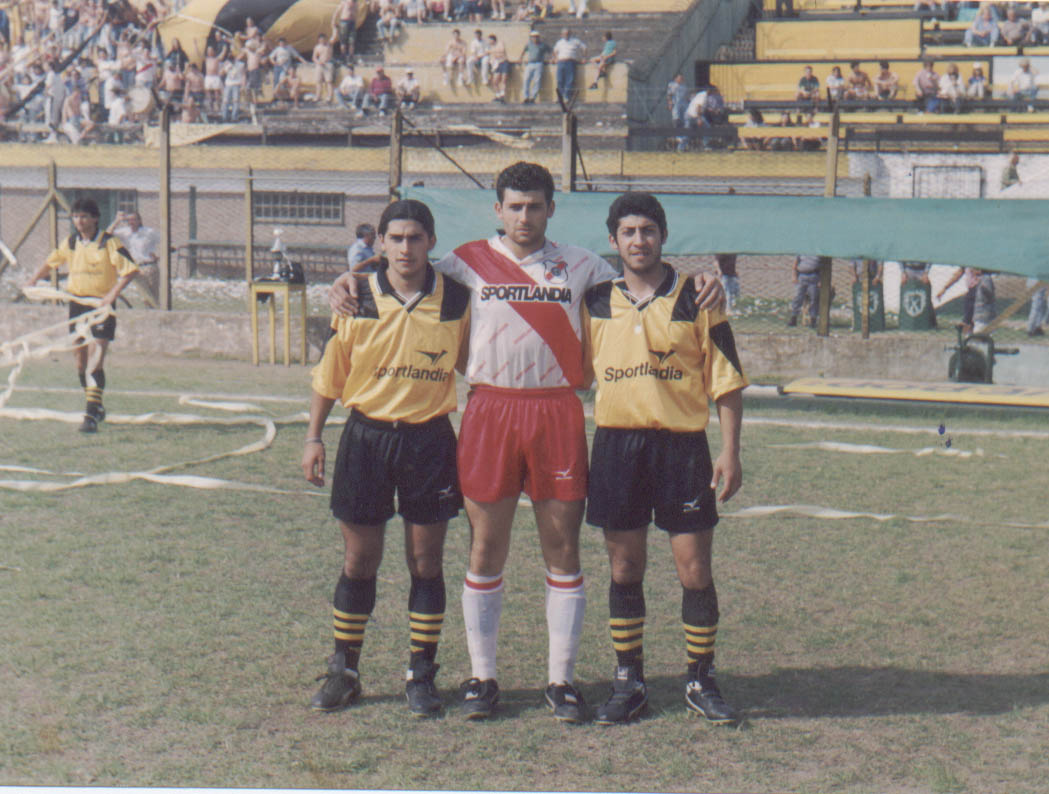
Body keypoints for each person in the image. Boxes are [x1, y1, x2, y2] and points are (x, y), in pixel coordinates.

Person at [326, 161, 726, 723]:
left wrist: (701, 280)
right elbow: (401, 270)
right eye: (514, 206)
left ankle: (560, 681)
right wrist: (349, 277)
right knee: (486, 549)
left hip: (556, 412)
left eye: (534, 205)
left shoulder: (583, 266)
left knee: (561, 550)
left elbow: (646, 276)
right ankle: (481, 677)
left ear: (550, 209)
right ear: (498, 210)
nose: (524, 216)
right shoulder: (464, 264)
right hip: (490, 409)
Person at [583, 192, 746, 727]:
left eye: (647, 230)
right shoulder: (594, 300)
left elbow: (726, 380)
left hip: (681, 449)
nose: (638, 240)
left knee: (694, 568)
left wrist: (730, 451)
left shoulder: (699, 297)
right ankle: (629, 679)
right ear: (613, 240)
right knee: (624, 566)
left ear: (663, 237)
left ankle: (701, 678)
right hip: (616, 447)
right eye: (627, 232)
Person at [303, 199, 470, 717]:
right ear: (379, 244)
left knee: (425, 562)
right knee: (359, 559)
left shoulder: (457, 299)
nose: (404, 248)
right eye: (394, 238)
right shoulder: (356, 297)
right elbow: (331, 376)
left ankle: (421, 675)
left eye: (414, 238)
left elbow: (474, 363)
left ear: (430, 243)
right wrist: (313, 437)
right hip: (367, 438)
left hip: (429, 440)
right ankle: (344, 670)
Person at [22, 198, 138, 434]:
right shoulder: (71, 242)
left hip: (101, 307)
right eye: (75, 217)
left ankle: (90, 414)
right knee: (79, 362)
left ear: (95, 219)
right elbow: (50, 262)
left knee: (97, 358)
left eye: (84, 216)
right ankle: (96, 404)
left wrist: (110, 296)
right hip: (77, 305)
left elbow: (130, 271)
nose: (79, 221)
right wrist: (33, 281)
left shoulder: (109, 242)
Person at [109, 210, 160, 303]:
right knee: (146, 297)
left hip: (149, 266)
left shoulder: (149, 232)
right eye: (128, 220)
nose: (131, 222)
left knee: (153, 297)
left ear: (139, 221)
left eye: (133, 220)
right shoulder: (125, 232)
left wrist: (159, 255)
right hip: (135, 268)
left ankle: (155, 314)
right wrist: (117, 221)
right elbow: (107, 234)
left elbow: (165, 241)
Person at [552, 28, 585, 106]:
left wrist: (583, 58)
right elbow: (554, 51)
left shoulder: (575, 41)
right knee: (560, 80)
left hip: (570, 62)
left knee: (569, 80)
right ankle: (560, 97)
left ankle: (566, 97)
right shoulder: (559, 42)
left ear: (570, 34)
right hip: (561, 62)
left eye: (567, 33)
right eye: (564, 34)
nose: (566, 35)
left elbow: (584, 48)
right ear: (561, 35)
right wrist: (556, 58)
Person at [788, 254, 823, 327]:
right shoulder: (801, 252)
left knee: (814, 298)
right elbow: (795, 265)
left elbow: (822, 266)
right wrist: (794, 276)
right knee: (798, 297)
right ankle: (793, 317)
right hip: (802, 276)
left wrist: (821, 280)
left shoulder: (819, 253)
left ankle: (813, 319)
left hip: (814, 276)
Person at [520, 29, 549, 103]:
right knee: (526, 80)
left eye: (536, 37)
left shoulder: (543, 45)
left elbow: (550, 51)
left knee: (537, 81)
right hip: (530, 64)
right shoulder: (529, 44)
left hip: (539, 63)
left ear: (538, 37)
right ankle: (526, 97)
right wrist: (520, 58)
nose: (534, 38)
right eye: (533, 37)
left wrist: (553, 58)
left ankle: (533, 97)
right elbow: (523, 51)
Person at [667, 73, 690, 152]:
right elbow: (669, 95)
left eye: (682, 78)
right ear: (676, 78)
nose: (681, 79)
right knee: (676, 120)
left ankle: (684, 138)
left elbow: (687, 96)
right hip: (676, 104)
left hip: (684, 104)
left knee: (685, 120)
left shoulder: (684, 86)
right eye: (679, 78)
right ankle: (678, 136)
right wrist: (670, 103)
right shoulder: (672, 85)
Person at [313, 33, 334, 104]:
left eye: (323, 39)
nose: (322, 40)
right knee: (318, 81)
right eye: (321, 39)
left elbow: (334, 36)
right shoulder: (317, 47)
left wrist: (334, 28)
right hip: (319, 65)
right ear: (319, 40)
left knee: (329, 81)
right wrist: (318, 62)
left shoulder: (329, 45)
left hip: (328, 64)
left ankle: (329, 96)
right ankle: (318, 96)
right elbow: (314, 57)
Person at [487, 34, 509, 103]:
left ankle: (503, 96)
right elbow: (492, 57)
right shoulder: (491, 47)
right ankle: (498, 95)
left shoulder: (500, 43)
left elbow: (501, 52)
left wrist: (492, 52)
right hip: (497, 64)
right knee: (495, 82)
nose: (489, 42)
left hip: (504, 62)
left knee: (503, 80)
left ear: (493, 40)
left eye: (490, 40)